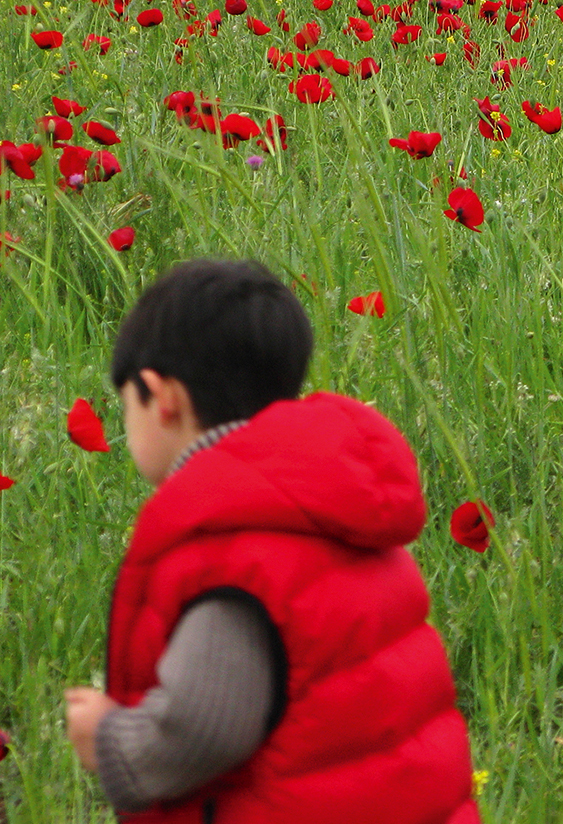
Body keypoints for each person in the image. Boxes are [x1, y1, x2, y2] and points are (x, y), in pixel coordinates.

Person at [63, 259, 478, 822]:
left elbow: (208, 726)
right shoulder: (339, 509)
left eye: (125, 402)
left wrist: (111, 738)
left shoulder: (230, 548)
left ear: (161, 398)